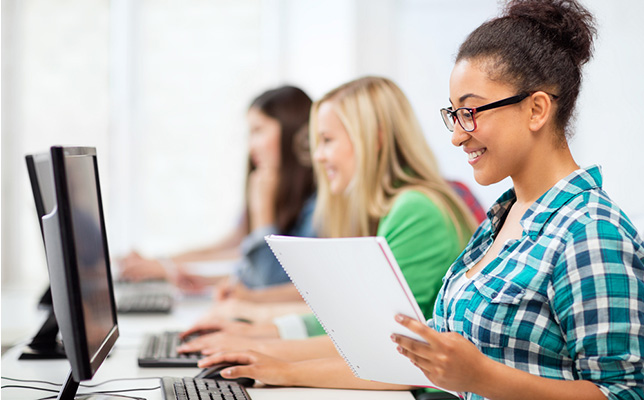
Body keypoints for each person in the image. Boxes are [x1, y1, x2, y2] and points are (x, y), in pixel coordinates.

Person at [389, 1, 644, 399]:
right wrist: (274, 364)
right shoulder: (502, 219)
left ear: (537, 109)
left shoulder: (590, 232)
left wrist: (483, 378)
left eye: (470, 111)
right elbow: (428, 358)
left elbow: (625, 392)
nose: (457, 135)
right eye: (453, 114)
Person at [179, 76, 477, 395]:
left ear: (373, 139)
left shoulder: (417, 210)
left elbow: (382, 342)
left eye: (327, 140)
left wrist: (273, 357)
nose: (318, 156)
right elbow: (346, 323)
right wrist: (256, 334)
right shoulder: (390, 209)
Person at [120, 86, 317, 293]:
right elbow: (237, 247)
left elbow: (268, 280)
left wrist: (263, 210)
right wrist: (167, 264)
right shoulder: (273, 188)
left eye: (258, 131)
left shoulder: (313, 207)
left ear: (292, 133)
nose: (251, 147)